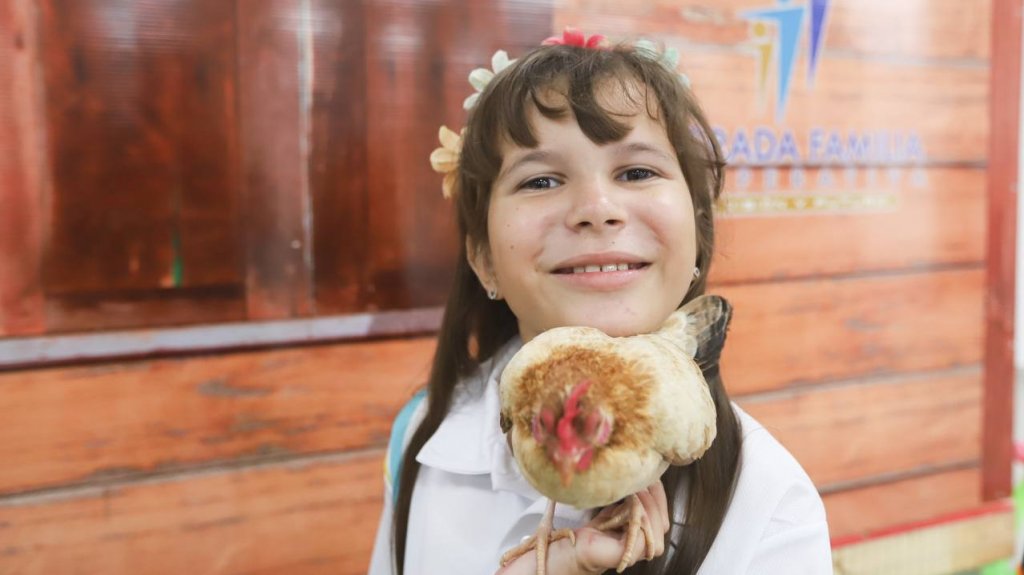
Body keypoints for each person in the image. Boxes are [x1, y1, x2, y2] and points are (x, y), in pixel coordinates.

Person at [368, 29, 832, 575]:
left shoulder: (769, 505)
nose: (596, 208)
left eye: (637, 172)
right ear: (484, 259)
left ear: (697, 235)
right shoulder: (422, 436)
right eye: (541, 180)